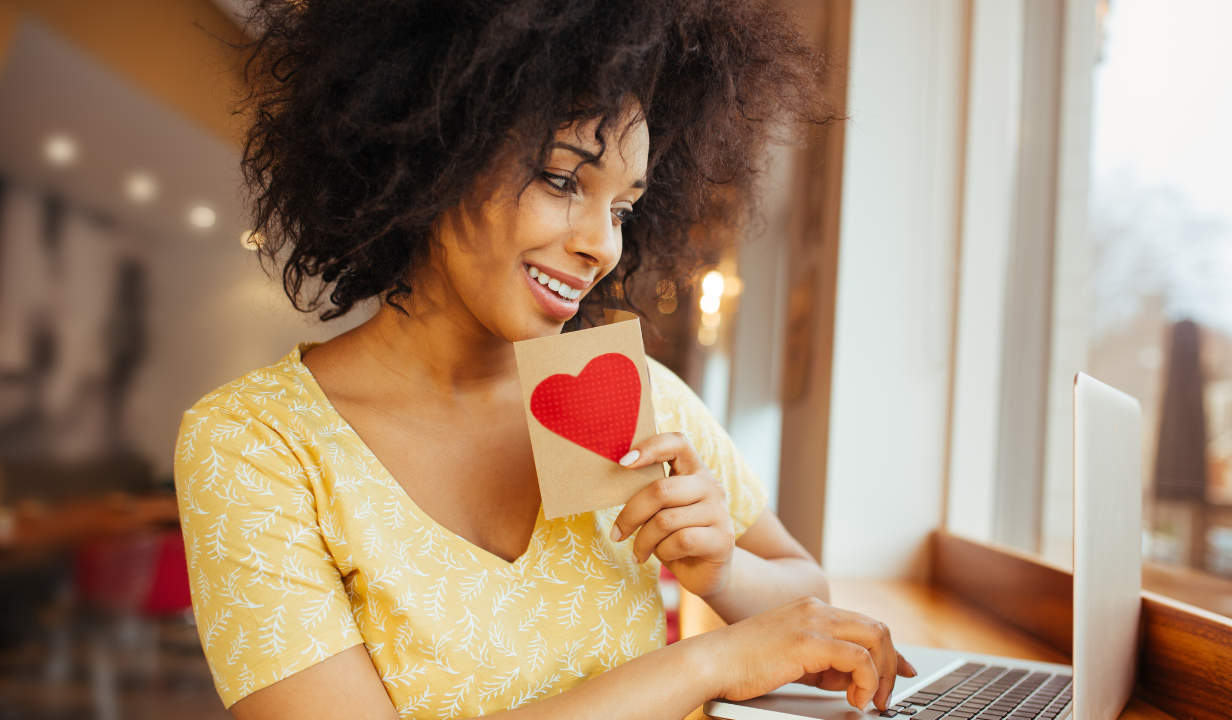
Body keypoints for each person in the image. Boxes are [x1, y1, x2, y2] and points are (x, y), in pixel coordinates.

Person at [174, 1, 916, 718]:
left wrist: (724, 571)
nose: (604, 245)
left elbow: (806, 596)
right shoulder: (255, 444)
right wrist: (708, 662)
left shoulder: (631, 397)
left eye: (623, 208)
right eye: (564, 181)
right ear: (434, 152)